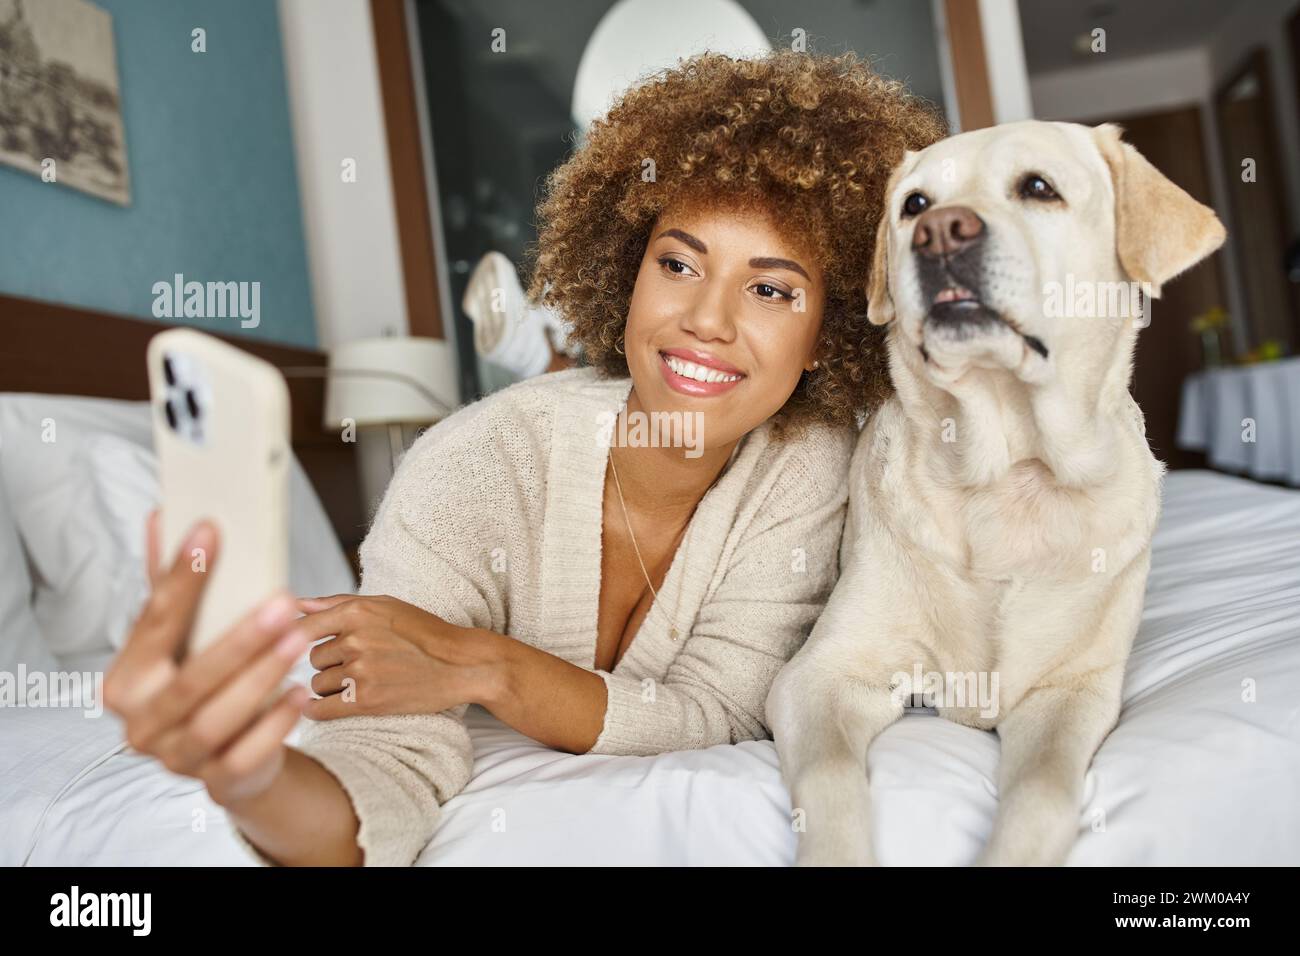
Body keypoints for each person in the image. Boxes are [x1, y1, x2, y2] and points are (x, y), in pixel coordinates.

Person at [104, 50, 945, 866]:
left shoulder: (813, 463)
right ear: (627, 276)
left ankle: (532, 348)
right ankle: (537, 356)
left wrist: (482, 664)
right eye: (678, 263)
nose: (708, 319)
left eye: (771, 289)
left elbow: (721, 709)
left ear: (826, 339)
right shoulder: (470, 469)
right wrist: (244, 775)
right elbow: (383, 763)